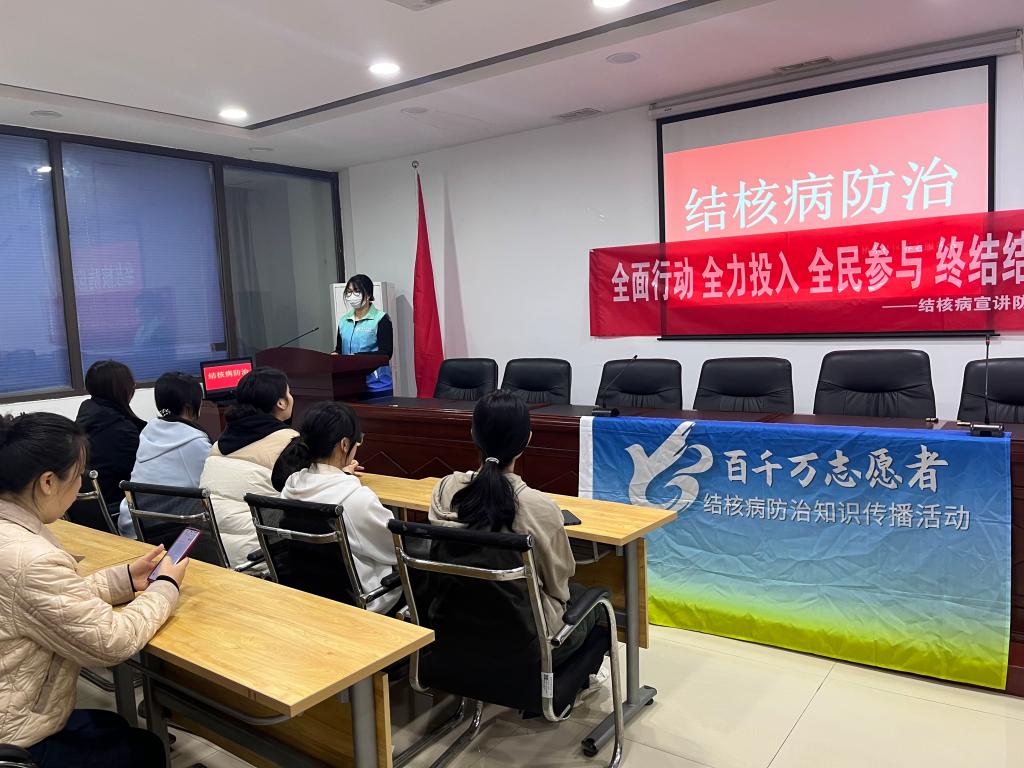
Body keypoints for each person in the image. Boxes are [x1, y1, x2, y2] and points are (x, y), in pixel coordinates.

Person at [0, 412, 188, 767]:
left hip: (15, 712)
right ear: (48, 482)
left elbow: (41, 603)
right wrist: (165, 586)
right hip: (16, 738)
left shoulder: (13, 535)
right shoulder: (32, 558)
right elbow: (112, 641)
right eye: (78, 476)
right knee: (145, 749)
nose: (80, 487)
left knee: (113, 725)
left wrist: (125, 579)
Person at [429, 391, 595, 663]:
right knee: (593, 603)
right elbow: (558, 585)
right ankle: (572, 683)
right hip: (526, 643)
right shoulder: (539, 507)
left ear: (472, 434)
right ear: (527, 439)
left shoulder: (444, 489)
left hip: (454, 628)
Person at [271, 401, 400, 613]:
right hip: (363, 599)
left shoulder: (292, 486)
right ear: (344, 444)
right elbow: (394, 551)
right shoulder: (356, 498)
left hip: (309, 595)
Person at [200, 366, 296, 567]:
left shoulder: (217, 444)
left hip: (216, 556)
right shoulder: (288, 442)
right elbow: (312, 493)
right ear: (281, 402)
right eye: (289, 392)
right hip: (263, 558)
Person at [117, 372, 212, 538]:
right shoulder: (194, 442)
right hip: (160, 531)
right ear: (189, 408)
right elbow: (214, 484)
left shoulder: (149, 432)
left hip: (131, 522)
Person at [75, 360, 147, 510]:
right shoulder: (122, 430)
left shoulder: (88, 416)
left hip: (90, 508)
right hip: (117, 507)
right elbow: (141, 474)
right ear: (123, 389)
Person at [334, 274, 393, 398]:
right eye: (349, 292)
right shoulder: (344, 320)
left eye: (357, 291)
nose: (352, 296)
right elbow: (339, 349)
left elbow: (386, 353)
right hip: (348, 384)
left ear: (369, 294)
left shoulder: (381, 319)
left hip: (376, 385)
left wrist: (357, 358)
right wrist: (334, 355)